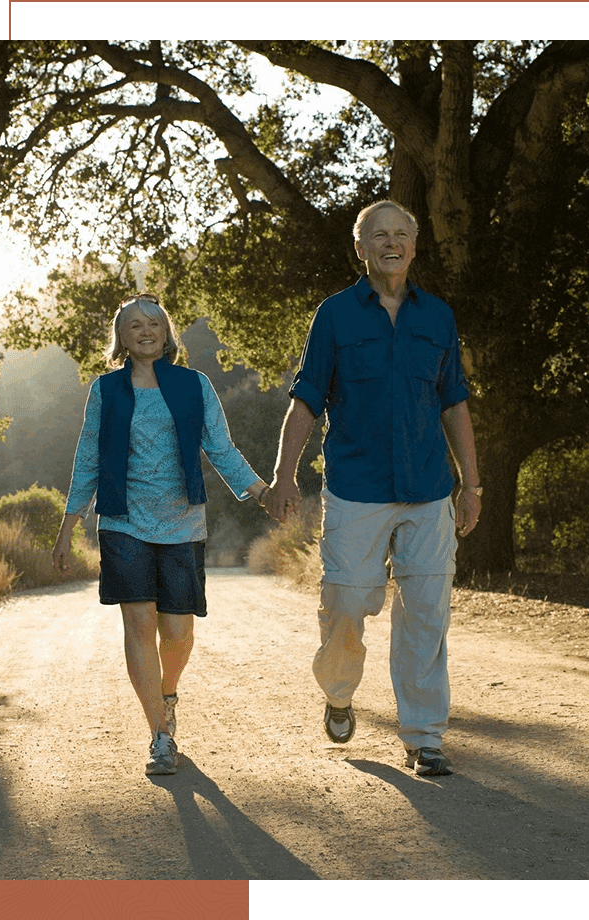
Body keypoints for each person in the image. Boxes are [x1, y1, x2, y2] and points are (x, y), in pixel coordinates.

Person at [264, 201, 481, 776]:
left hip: (429, 488)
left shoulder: (437, 318)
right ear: (360, 248)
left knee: (427, 614)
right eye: (379, 235)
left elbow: (454, 401)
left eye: (402, 235)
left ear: (414, 246)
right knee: (347, 602)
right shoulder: (334, 316)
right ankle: (338, 690)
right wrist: (284, 476)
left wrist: (472, 484)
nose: (392, 243)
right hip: (357, 488)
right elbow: (307, 400)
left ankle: (424, 736)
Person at [52, 293, 273, 776]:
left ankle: (167, 693)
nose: (145, 330)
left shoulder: (194, 385)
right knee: (139, 625)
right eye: (134, 325)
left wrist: (262, 492)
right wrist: (68, 527)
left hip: (181, 522)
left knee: (177, 630)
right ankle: (158, 734)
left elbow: (221, 448)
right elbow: (87, 457)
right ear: (122, 337)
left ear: (168, 333)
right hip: (122, 521)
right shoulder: (105, 391)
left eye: (154, 322)